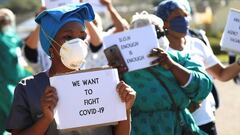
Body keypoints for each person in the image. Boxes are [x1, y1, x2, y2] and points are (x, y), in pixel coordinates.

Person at [6, 3, 136, 135]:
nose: (78, 43)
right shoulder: (29, 88)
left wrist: (125, 109)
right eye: (68, 37)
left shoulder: (103, 82)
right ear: (50, 45)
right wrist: (46, 119)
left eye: (82, 37)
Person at [120, 11, 212, 135]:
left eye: (158, 33)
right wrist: (114, 73)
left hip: (178, 128)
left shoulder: (178, 59)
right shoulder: (123, 69)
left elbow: (203, 87)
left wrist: (172, 66)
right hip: (142, 129)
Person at [155, 0, 240, 134]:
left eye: (185, 15)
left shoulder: (197, 44)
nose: (184, 20)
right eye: (178, 17)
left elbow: (222, 74)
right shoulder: (159, 52)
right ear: (164, 22)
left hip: (205, 121)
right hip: (178, 125)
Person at [0, 8, 32, 135]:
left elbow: (24, 47)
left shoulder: (12, 37)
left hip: (16, 83)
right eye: (3, 20)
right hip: (5, 86)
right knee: (17, 123)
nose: (6, 21)